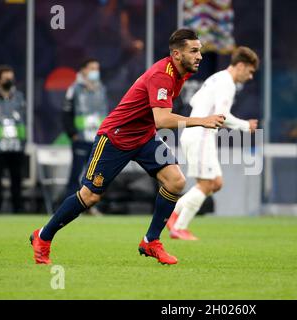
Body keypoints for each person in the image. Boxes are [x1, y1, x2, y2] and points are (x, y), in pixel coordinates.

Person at [29, 29, 226, 265]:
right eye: (194, 51)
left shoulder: (180, 73)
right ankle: (43, 236)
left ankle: (151, 241)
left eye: (200, 50)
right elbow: (162, 120)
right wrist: (201, 121)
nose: (199, 56)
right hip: (115, 137)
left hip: (143, 137)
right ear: (176, 54)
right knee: (90, 196)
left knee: (176, 181)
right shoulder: (162, 75)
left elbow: (156, 121)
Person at [166, 46, 259, 240]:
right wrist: (245, 125)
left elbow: (194, 101)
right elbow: (221, 117)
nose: (250, 77)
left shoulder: (216, 78)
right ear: (241, 66)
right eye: (250, 72)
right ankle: (179, 227)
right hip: (201, 134)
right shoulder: (227, 84)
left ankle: (172, 216)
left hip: (198, 134)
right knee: (207, 183)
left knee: (216, 183)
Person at [62, 58, 109, 216]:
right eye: (92, 68)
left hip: (98, 139)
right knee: (76, 173)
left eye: (97, 68)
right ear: (83, 70)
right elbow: (66, 113)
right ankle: (68, 209)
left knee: (95, 175)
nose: (96, 71)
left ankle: (89, 206)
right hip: (80, 138)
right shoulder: (74, 89)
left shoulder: (101, 88)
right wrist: (72, 134)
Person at [0, 65, 26, 213]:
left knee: (17, 178)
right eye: (6, 77)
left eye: (11, 77)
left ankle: (18, 207)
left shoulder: (18, 96)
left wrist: (23, 141)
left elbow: (23, 119)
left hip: (16, 144)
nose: (9, 80)